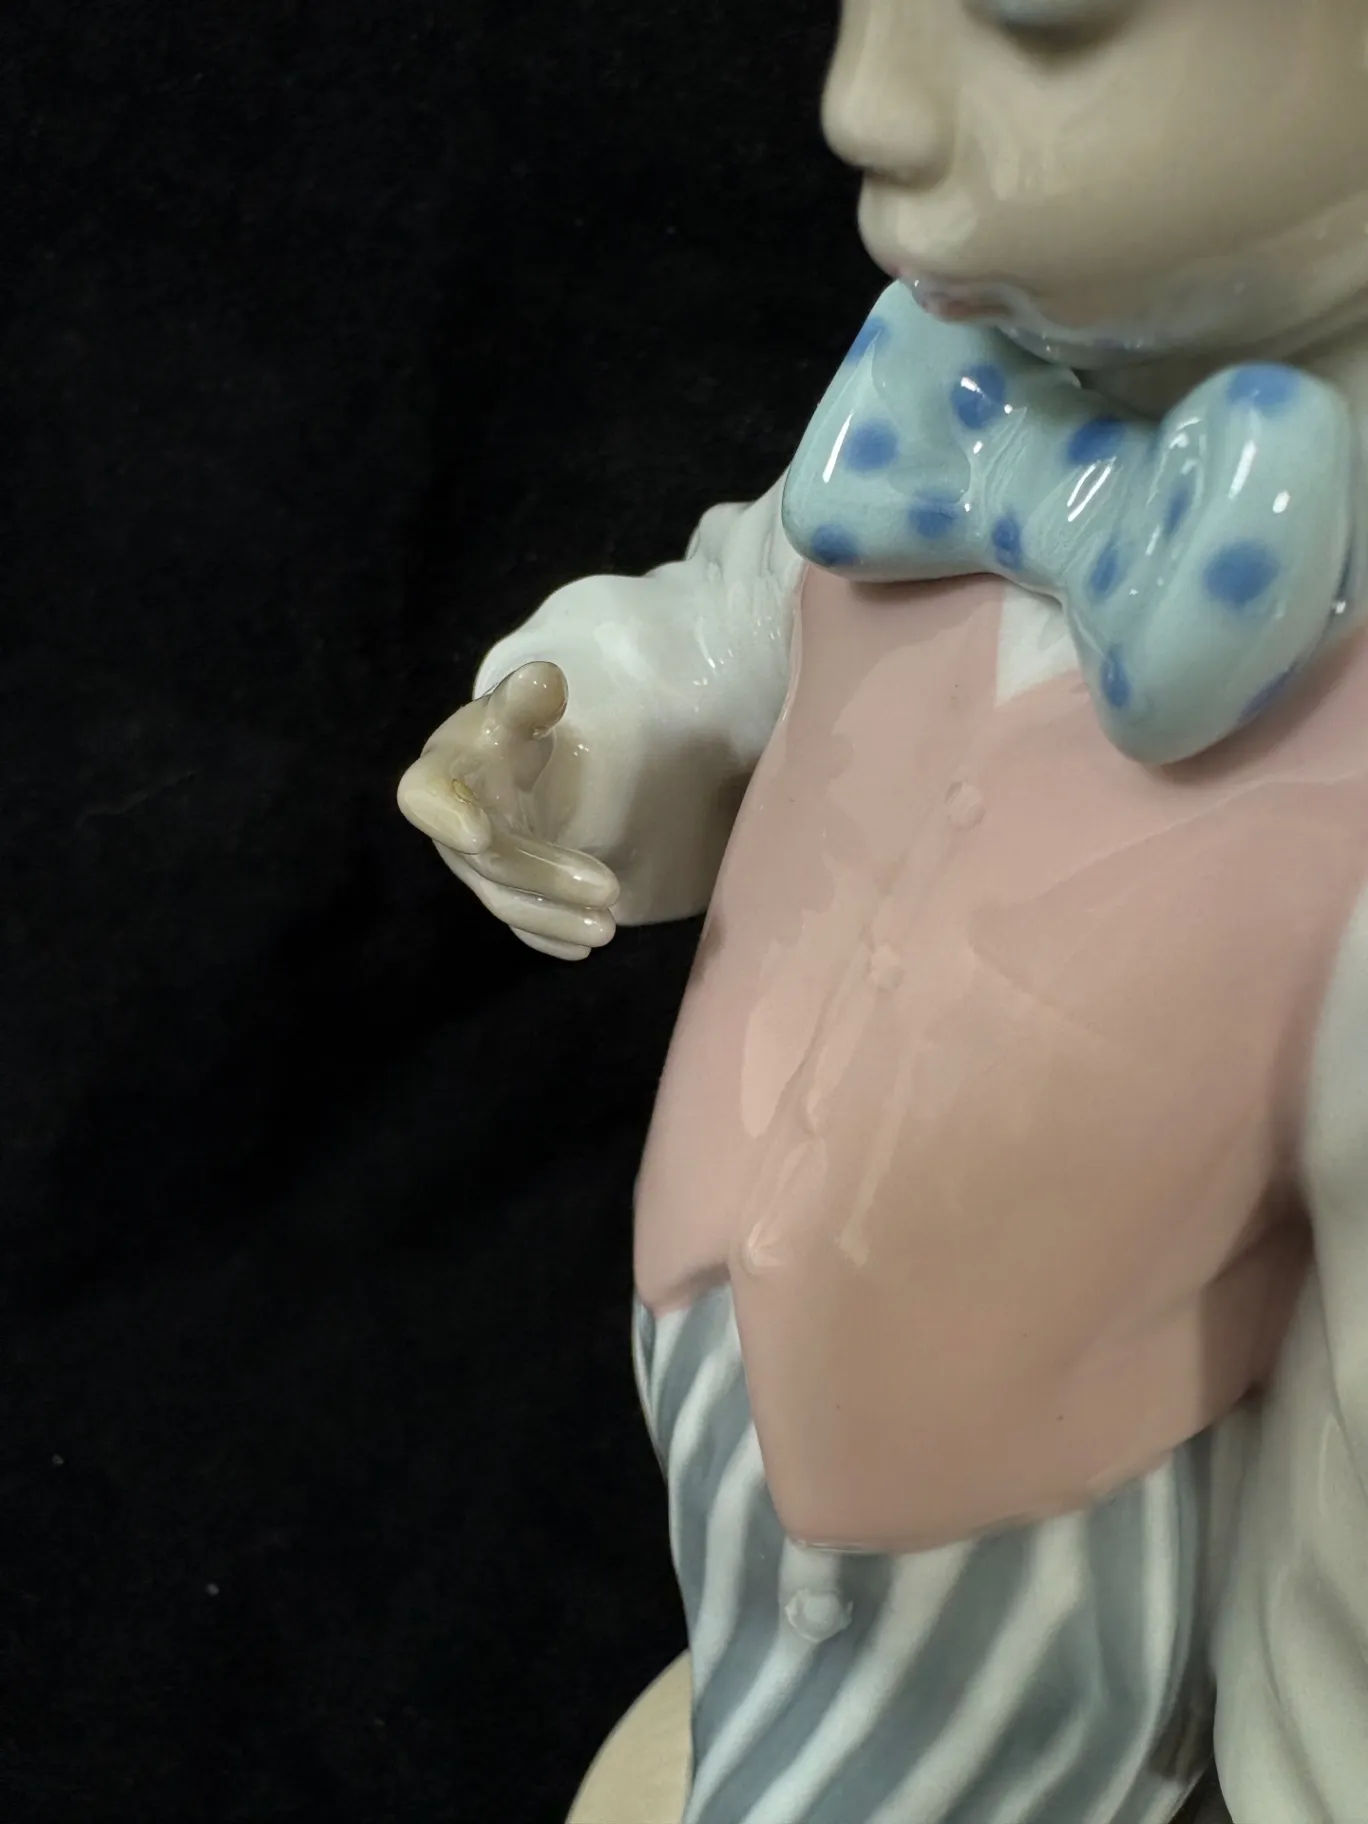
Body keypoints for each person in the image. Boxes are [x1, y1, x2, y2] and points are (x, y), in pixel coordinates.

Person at [400, 3, 1368, 1818]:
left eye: (1040, 26)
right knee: (765, 1629)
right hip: (724, 1322)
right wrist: (571, 744)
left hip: (1033, 1479)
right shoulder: (938, 407)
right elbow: (727, 628)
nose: (867, 104)